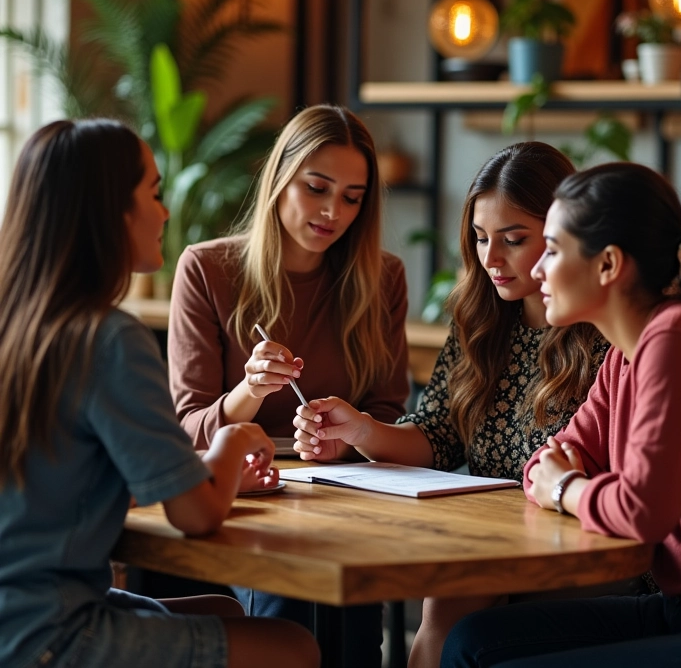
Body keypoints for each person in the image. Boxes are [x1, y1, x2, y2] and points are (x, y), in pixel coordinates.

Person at [0, 119, 320, 668]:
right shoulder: (109, 338)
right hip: (48, 633)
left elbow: (70, 485)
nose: (165, 212)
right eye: (153, 193)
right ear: (110, 211)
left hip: (16, 617)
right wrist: (233, 442)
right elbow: (196, 516)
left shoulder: (21, 327)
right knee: (294, 647)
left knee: (224, 609)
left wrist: (207, 471)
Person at [294, 142, 610, 668]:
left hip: (579, 545)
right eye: (481, 238)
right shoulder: (482, 322)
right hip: (493, 542)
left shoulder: (605, 335)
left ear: (565, 235)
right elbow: (438, 435)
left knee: (454, 608)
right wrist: (361, 430)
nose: (491, 259)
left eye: (514, 240)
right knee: (447, 606)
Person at [441, 161, 681, 668]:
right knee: (471, 639)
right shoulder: (624, 356)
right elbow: (543, 463)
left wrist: (565, 488)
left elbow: (640, 511)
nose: (538, 270)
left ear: (609, 264)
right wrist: (559, 478)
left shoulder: (679, 339)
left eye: (552, 250)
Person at [168, 103, 410, 666]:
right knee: (288, 612)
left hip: (348, 499)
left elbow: (388, 415)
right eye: (316, 187)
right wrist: (250, 390)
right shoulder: (206, 270)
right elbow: (188, 430)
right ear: (279, 178)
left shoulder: (384, 278)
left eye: (352, 198)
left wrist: (344, 440)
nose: (332, 211)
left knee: (354, 635)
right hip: (251, 497)